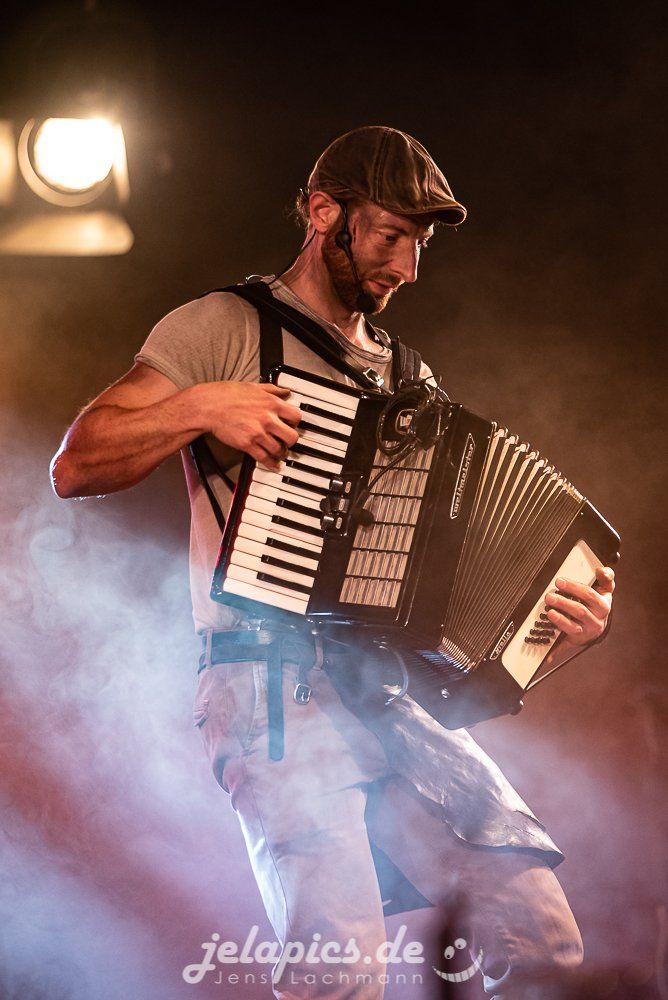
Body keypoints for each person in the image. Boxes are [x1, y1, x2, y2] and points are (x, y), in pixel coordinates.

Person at [50, 126, 615, 999]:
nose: (409, 266)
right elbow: (76, 464)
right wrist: (203, 407)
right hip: (270, 686)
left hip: (384, 690)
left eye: (420, 244)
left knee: (543, 939)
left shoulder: (407, 378)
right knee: (341, 972)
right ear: (324, 214)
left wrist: (543, 636)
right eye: (391, 235)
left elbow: (444, 619)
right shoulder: (225, 326)